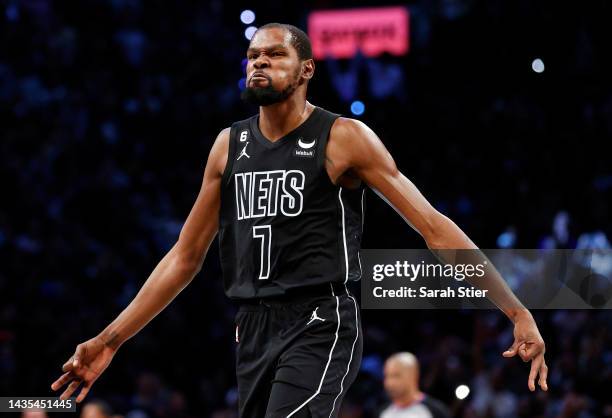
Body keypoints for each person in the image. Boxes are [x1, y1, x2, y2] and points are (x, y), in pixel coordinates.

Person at [50, 23, 548, 417]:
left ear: (306, 69)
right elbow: (184, 257)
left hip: (321, 319)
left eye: (274, 54)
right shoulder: (228, 146)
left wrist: (516, 310)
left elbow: (433, 226)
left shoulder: (343, 137)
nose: (259, 62)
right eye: (252, 56)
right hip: (253, 327)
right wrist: (109, 339)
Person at [380, 352, 450, 418]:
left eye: (396, 376)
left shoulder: (436, 412)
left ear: (413, 375)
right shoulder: (382, 412)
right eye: (387, 376)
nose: (390, 382)